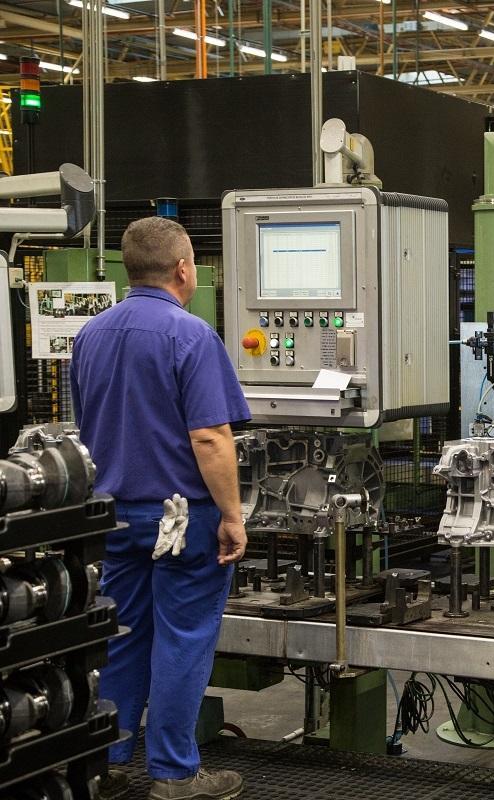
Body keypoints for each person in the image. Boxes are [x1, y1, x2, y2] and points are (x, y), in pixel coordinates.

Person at [70, 217, 251, 800]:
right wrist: (231, 515)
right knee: (183, 636)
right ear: (182, 268)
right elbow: (210, 438)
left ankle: (109, 759)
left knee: (120, 633)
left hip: (110, 514)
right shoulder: (191, 335)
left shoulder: (89, 335)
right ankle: (174, 774)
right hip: (181, 518)